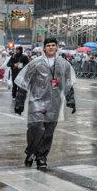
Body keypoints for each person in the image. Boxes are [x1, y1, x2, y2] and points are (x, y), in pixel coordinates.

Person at [13, 38, 76, 170]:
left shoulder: (64, 64)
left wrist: (70, 100)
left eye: (53, 45)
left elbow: (68, 83)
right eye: (48, 46)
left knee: (48, 132)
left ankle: (41, 157)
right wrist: (19, 101)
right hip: (36, 101)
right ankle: (31, 151)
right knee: (35, 128)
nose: (51, 48)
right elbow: (24, 82)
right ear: (44, 48)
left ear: (57, 47)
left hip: (55, 103)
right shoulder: (35, 63)